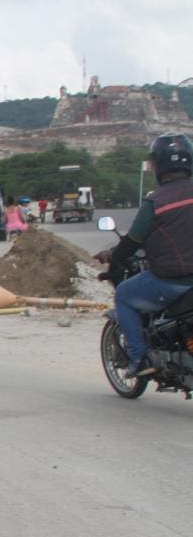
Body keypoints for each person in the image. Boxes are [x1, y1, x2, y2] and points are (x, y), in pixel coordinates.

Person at [95, 132, 193, 378]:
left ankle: (138, 358)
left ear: (158, 166)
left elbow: (132, 242)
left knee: (125, 295)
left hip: (173, 281)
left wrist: (113, 256)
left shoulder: (156, 201)